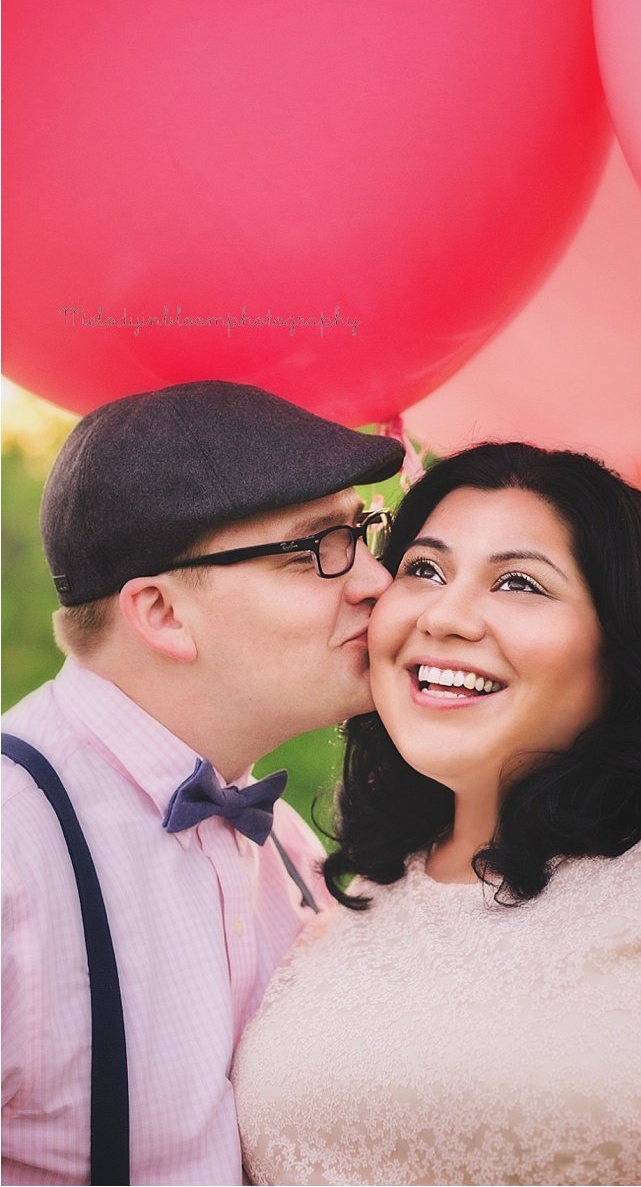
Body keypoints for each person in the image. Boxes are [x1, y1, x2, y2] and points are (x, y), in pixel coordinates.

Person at [233, 441, 641, 1187]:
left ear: (625, 640)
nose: (447, 615)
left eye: (520, 583)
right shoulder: (347, 899)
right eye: (424, 569)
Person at [1, 379, 403, 1186]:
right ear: (162, 614)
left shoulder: (284, 840)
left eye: (361, 533)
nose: (374, 582)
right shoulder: (13, 845)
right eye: (314, 547)